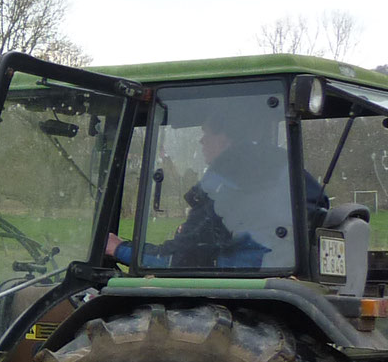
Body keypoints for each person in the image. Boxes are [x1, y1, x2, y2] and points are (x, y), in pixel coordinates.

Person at [110, 105, 320, 269]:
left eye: (207, 133)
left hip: (241, 286)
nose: (202, 141)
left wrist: (119, 248)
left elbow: (177, 261)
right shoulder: (286, 170)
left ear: (226, 138)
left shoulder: (226, 181)